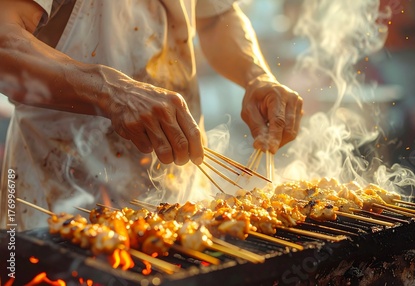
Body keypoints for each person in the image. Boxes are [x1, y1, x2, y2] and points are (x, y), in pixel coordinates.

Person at [0, 0, 303, 230]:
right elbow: (5, 40)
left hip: (179, 204)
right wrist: (111, 91)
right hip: (59, 200)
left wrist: (257, 75)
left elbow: (216, 18)